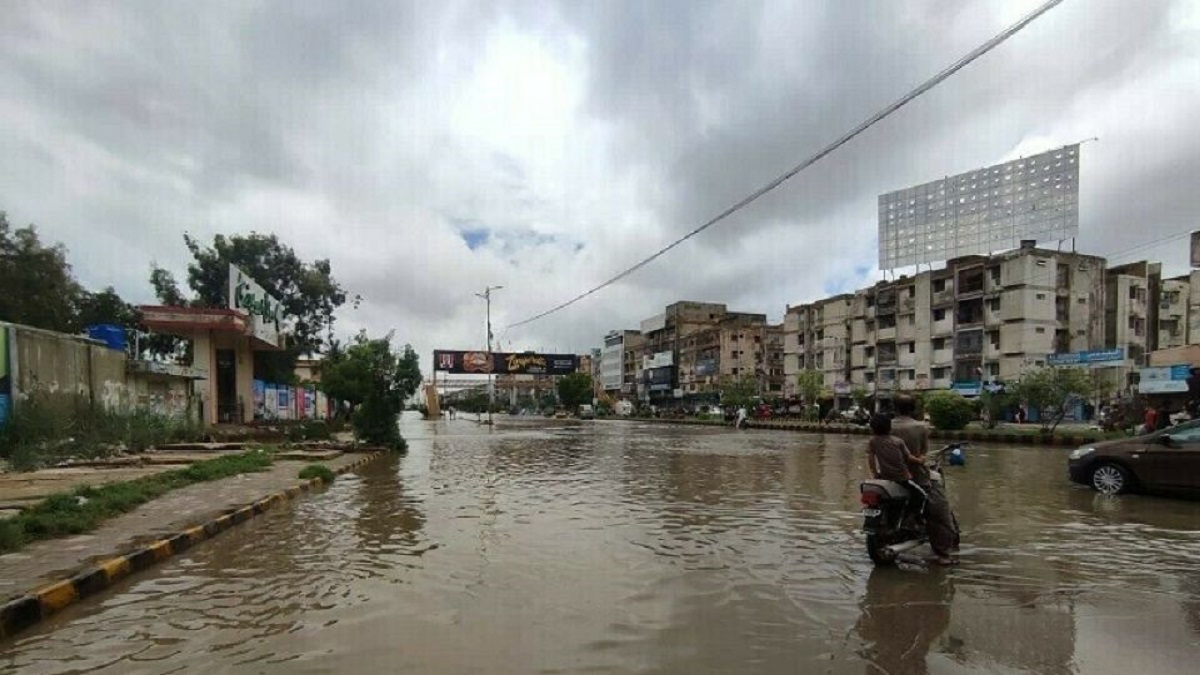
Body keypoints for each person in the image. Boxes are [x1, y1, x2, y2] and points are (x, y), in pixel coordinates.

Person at [890, 396, 960, 558]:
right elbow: (922, 453)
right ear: (913, 409)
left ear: (894, 408)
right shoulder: (921, 427)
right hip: (915, 476)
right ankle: (942, 553)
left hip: (886, 474)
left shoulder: (885, 426)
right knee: (940, 514)